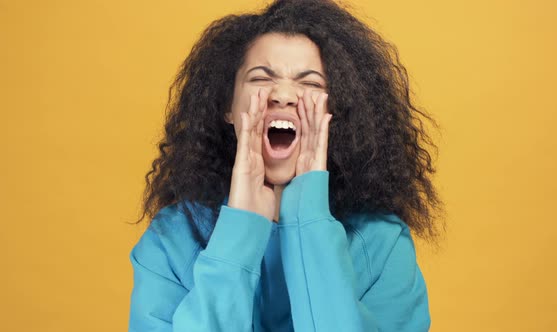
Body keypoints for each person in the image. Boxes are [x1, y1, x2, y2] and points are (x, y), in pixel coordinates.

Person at [128, 0, 445, 331]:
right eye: (261, 78)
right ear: (228, 107)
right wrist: (242, 227)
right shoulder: (171, 239)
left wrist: (307, 217)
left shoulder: (383, 243)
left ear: (337, 113)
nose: (283, 95)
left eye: (310, 83)